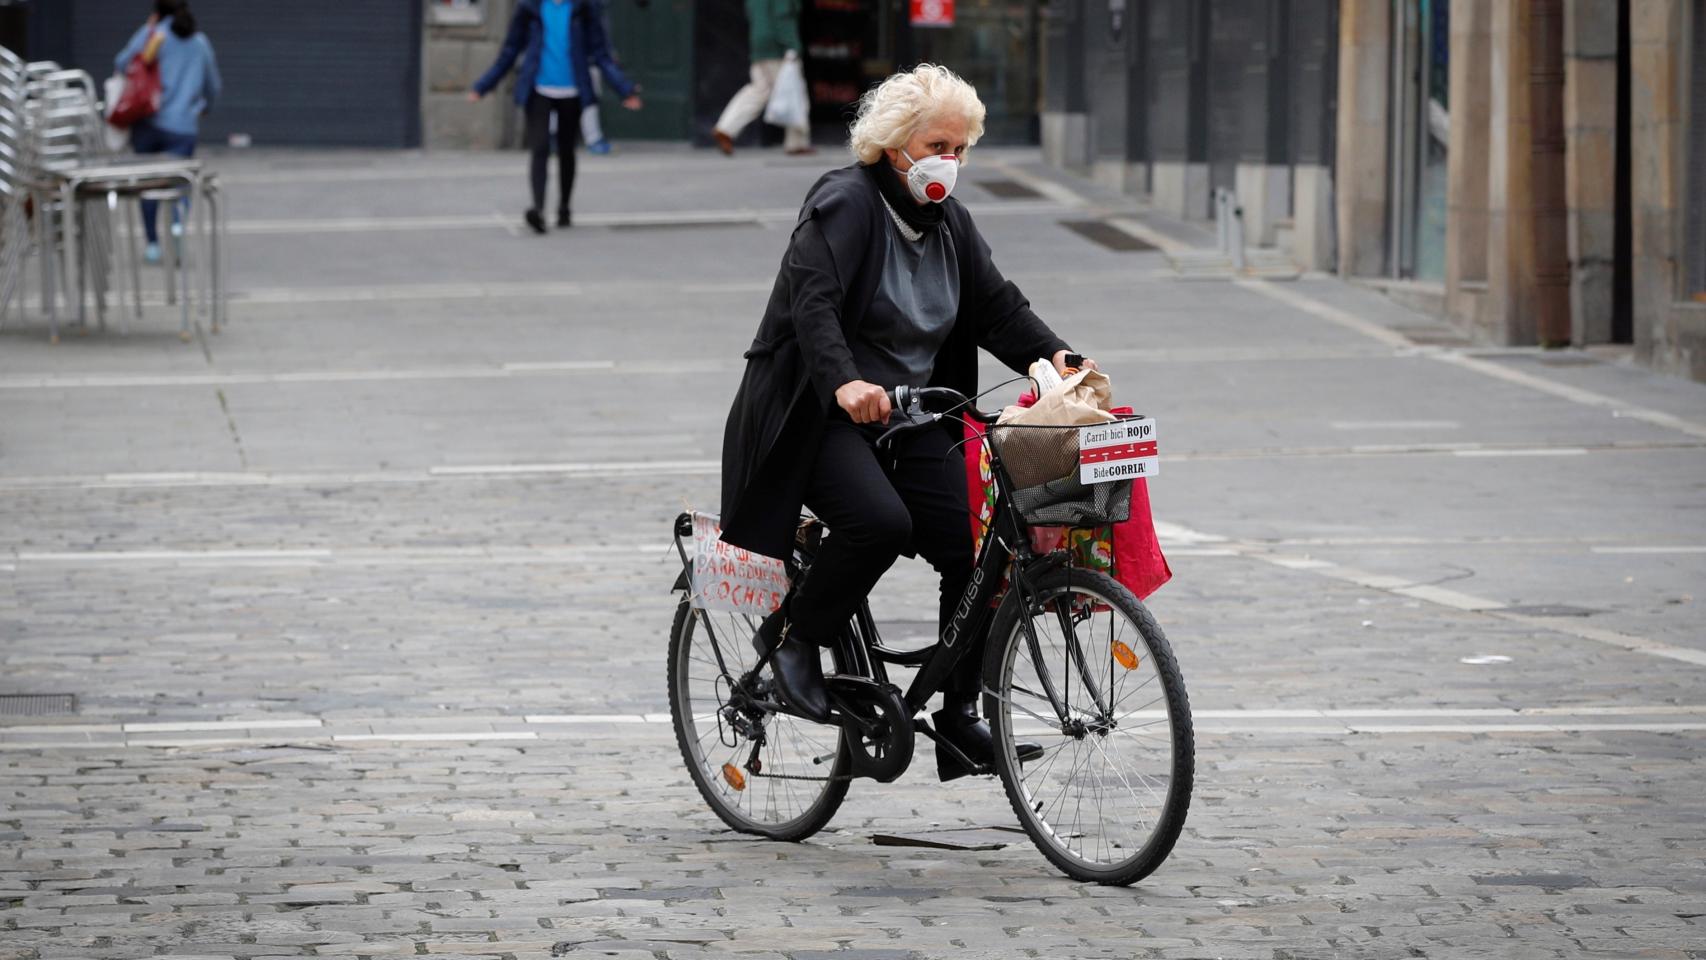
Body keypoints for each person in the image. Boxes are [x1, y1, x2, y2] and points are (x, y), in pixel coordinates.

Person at [718, 65, 1096, 781]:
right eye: (938, 145)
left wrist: (1057, 354)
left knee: (976, 546)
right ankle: (795, 639)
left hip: (914, 415)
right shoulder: (843, 204)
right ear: (896, 148)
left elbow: (998, 309)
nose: (949, 162)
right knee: (879, 524)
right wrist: (846, 382)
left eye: (961, 148)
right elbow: (814, 307)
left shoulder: (950, 224)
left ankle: (958, 716)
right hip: (819, 412)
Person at [469, 0, 641, 234]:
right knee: (539, 147)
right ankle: (538, 210)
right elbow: (510, 49)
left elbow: (600, 53)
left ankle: (564, 208)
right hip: (538, 88)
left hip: (572, 89)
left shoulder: (583, 8)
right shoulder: (530, 7)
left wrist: (624, 89)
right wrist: (484, 85)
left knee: (566, 150)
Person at [113, 0, 220, 265]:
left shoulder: (152, 34)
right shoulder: (199, 42)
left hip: (148, 123)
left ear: (157, 11)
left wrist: (148, 29)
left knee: (148, 184)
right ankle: (177, 228)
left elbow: (122, 62)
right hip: (183, 125)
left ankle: (152, 243)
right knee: (180, 182)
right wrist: (204, 106)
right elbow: (213, 85)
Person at [711, 0, 812, 157]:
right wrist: (792, 45)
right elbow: (783, 16)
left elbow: (752, 13)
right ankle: (796, 143)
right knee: (795, 92)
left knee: (759, 90)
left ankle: (726, 128)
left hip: (759, 43)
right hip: (778, 47)